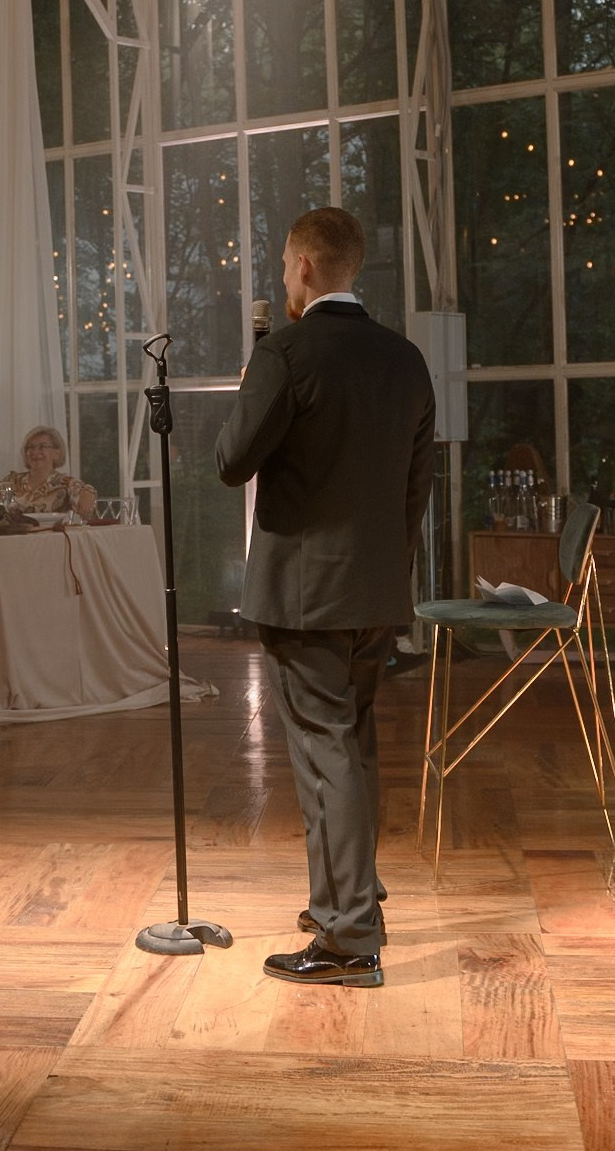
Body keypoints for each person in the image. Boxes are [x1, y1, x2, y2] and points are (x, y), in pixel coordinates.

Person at [215, 207, 434, 990]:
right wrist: (384, 566)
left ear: (304, 266)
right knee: (353, 745)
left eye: (282, 265)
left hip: (306, 595)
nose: (282, 278)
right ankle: (344, 895)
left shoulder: (286, 351)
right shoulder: (406, 359)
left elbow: (233, 460)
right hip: (376, 589)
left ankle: (348, 940)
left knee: (325, 750)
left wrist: (250, 389)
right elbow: (417, 487)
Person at [0, 425, 96, 517]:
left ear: (57, 453)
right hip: (15, 535)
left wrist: (88, 494)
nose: (35, 452)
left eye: (43, 446)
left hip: (53, 535)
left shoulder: (66, 484)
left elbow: (87, 492)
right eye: (30, 447)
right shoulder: (12, 481)